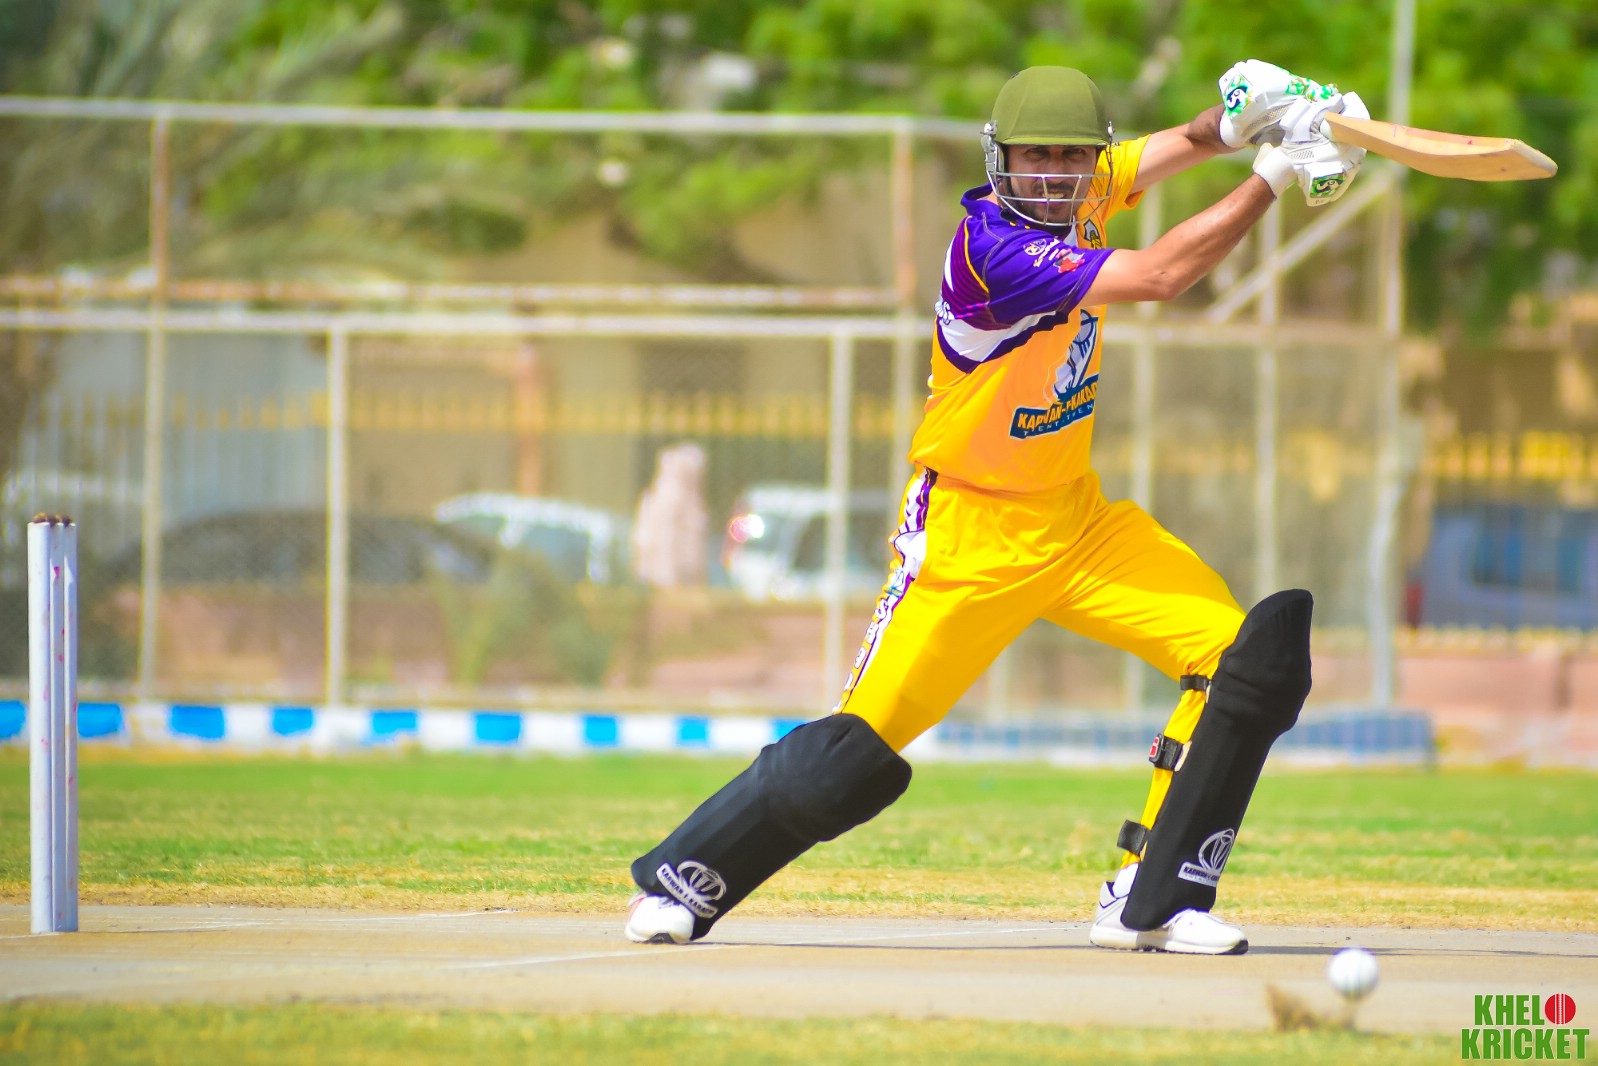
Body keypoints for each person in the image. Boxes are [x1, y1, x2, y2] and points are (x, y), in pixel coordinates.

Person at [624, 60, 1369, 955]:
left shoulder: (1086, 190)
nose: (1054, 174)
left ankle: (1152, 898)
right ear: (1000, 159)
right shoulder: (992, 252)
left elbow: (1183, 141)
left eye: (1072, 156)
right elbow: (1163, 274)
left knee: (1244, 664)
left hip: (1078, 523)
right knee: (847, 758)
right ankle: (685, 879)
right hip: (967, 539)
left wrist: (1255, 115)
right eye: (1035, 156)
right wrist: (1279, 169)